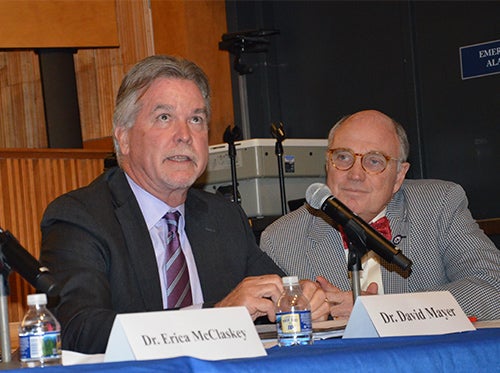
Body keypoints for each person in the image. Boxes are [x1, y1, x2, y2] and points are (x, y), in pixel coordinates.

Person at [40, 55, 329, 354]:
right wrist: (214, 319)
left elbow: (277, 294)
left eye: (196, 119)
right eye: (164, 117)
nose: (185, 136)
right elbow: (79, 329)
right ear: (123, 138)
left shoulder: (223, 217)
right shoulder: (80, 217)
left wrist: (303, 300)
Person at [260, 109, 500, 321]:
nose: (355, 174)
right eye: (343, 157)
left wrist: (385, 310)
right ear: (328, 164)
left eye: (374, 161)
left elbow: (492, 286)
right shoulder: (281, 239)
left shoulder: (438, 205)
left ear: (398, 176)